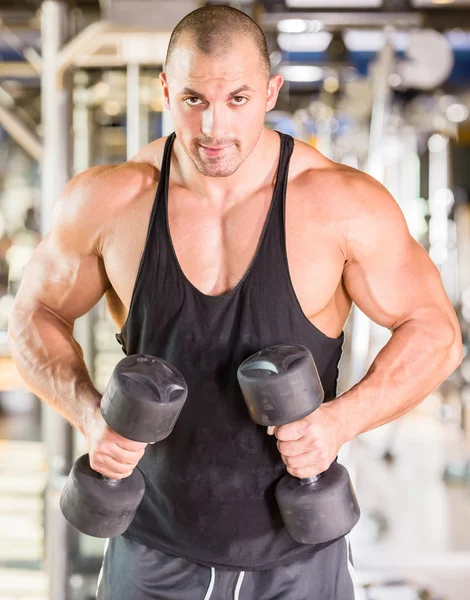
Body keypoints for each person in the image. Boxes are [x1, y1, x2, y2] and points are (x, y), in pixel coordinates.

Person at [8, 5, 462, 600]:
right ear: (166, 90)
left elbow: (436, 333)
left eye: (238, 99)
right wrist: (90, 415)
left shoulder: (338, 204)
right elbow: (32, 317)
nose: (214, 127)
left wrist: (340, 421)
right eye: (194, 99)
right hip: (153, 545)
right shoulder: (112, 201)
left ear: (271, 91)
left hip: (297, 555)